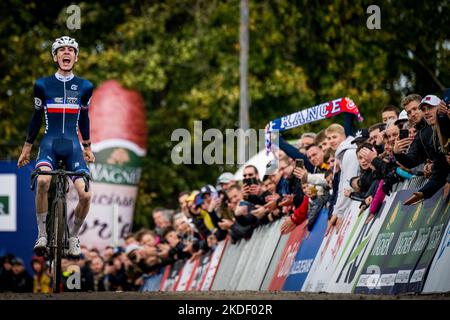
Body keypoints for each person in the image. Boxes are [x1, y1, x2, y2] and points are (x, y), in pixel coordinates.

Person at [17, 36, 95, 257]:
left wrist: (88, 147)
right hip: (50, 144)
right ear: (55, 57)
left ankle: (73, 237)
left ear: (76, 57)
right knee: (42, 181)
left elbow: (84, 119)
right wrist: (26, 148)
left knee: (86, 195)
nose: (66, 53)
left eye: (71, 50)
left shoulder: (85, 86)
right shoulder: (42, 85)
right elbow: (35, 118)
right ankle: (42, 234)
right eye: (62, 50)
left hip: (73, 147)